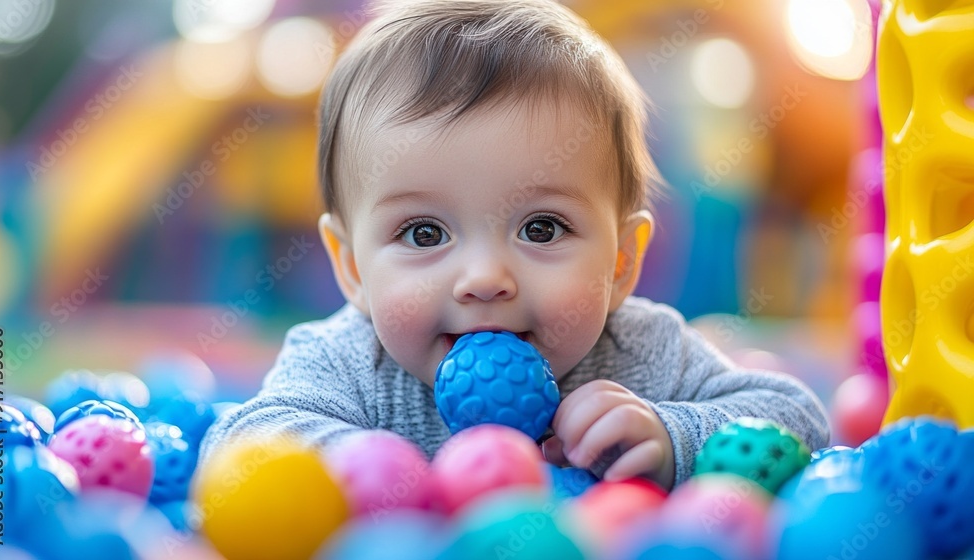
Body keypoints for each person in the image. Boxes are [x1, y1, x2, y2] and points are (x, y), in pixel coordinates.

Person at [199, 0, 829, 489]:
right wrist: (378, 470)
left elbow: (796, 419)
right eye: (424, 233)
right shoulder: (347, 363)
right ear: (353, 268)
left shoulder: (641, 351)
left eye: (541, 228)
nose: (484, 277)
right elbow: (241, 444)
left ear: (620, 261)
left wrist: (672, 438)